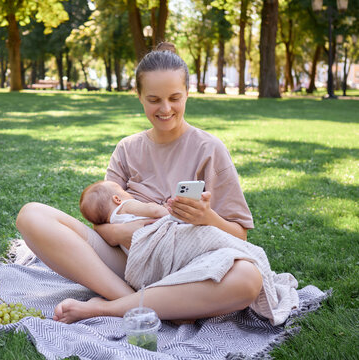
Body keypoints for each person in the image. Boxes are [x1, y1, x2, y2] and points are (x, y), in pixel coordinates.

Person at [16, 42, 262, 324]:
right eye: (154, 99)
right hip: (128, 262)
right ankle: (136, 302)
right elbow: (101, 224)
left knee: (248, 279)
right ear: (140, 96)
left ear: (187, 95)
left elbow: (239, 235)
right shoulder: (127, 148)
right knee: (31, 215)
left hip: (187, 264)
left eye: (174, 98)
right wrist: (127, 232)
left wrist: (207, 217)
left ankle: (110, 308)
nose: (165, 108)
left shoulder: (210, 149)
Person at [79, 180, 168, 254]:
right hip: (160, 241)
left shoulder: (112, 223)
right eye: (124, 191)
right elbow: (154, 210)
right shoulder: (125, 206)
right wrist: (168, 211)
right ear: (117, 199)